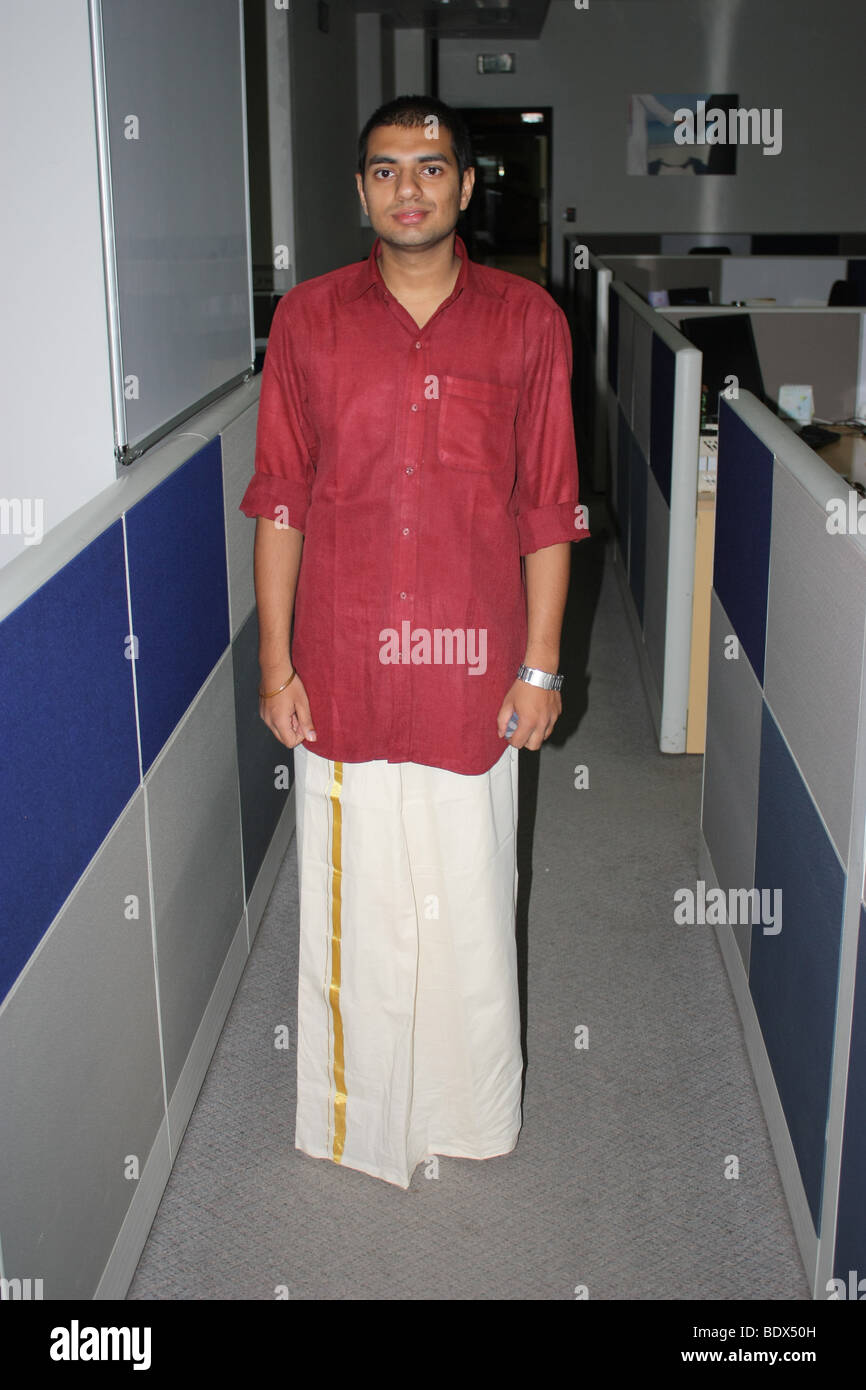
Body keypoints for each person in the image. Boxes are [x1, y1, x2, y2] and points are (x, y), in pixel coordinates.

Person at [239, 95, 590, 1189]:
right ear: (359, 192)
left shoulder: (527, 321)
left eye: (430, 168)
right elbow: (281, 499)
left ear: (466, 186)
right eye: (386, 170)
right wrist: (275, 662)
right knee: (357, 905)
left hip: (471, 674)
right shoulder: (309, 320)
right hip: (342, 668)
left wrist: (539, 668)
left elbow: (548, 507)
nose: (409, 188)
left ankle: (469, 1113)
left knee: (473, 901)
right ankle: (360, 1118)